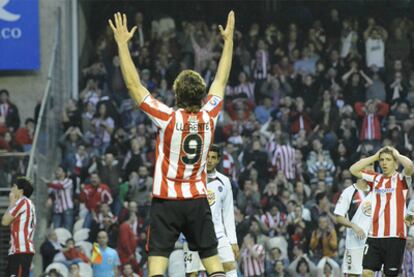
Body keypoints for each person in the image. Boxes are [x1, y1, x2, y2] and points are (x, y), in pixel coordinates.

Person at [108, 10, 235, 277]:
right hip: (197, 200)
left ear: (176, 94)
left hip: (166, 202)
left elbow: (134, 85)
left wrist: (121, 44)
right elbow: (221, 81)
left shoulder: (167, 118)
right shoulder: (210, 115)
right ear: (202, 95)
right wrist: (229, 41)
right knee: (214, 266)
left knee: (156, 267)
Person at [349, 146, 414, 277]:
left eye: (388, 160)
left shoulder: (401, 179)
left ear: (395, 163)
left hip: (395, 236)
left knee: (389, 274)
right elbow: (353, 169)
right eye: (382, 160)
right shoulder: (376, 178)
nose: (384, 163)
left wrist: (397, 153)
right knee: (366, 272)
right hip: (374, 235)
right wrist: (375, 156)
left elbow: (410, 166)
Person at [184, 145, 239, 277]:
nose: (209, 160)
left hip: (218, 235)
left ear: (218, 160)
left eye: (213, 157)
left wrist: (233, 241)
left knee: (230, 266)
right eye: (207, 157)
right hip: (194, 236)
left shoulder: (224, 181)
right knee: (193, 274)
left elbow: (227, 213)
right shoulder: (190, 179)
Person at [334, 168, 372, 277]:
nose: (372, 170)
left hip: (372, 241)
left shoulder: (375, 191)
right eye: (369, 167)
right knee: (353, 274)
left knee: (370, 273)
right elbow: (338, 217)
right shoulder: (349, 191)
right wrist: (353, 226)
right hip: (354, 242)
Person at [1, 177, 36, 277]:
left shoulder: (23, 202)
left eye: (14, 187)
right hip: (18, 251)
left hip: (21, 251)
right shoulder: (27, 203)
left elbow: (5, 221)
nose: (11, 189)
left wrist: (11, 202)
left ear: (20, 191)